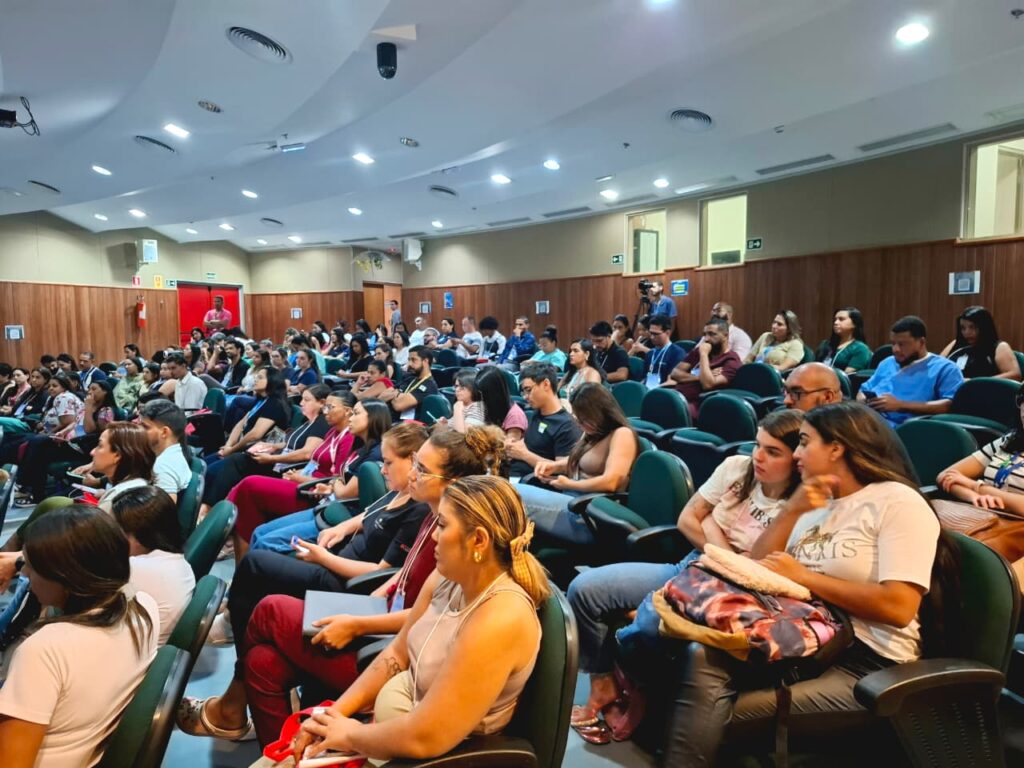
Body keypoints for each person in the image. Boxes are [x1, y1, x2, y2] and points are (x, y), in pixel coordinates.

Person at [178, 426, 507, 745]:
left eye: (421, 468)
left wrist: (359, 621)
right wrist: (375, 598)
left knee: (269, 609)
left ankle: (232, 708)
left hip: (390, 650)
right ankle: (283, 750)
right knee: (262, 662)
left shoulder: (457, 540)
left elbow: (429, 619)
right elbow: (403, 579)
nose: (412, 473)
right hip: (380, 619)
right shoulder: (433, 519)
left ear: (453, 482)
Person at [663, 402, 951, 764]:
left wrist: (804, 577)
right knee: (697, 654)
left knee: (712, 715)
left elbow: (898, 607)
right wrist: (792, 510)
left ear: (836, 448)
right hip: (805, 637)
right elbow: (758, 566)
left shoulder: (896, 502)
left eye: (803, 442)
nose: (797, 453)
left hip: (868, 659)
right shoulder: (818, 501)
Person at [566, 409, 804, 738]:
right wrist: (724, 548)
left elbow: (758, 569)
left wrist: (712, 526)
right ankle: (603, 683)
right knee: (584, 590)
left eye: (773, 452)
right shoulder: (736, 467)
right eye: (757, 445)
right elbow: (687, 520)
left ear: (797, 460)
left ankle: (640, 688)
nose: (758, 457)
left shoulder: (801, 507)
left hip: (738, 590)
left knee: (651, 622)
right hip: (693, 563)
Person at [288, 474, 545, 763]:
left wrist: (349, 735)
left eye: (443, 525)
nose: (434, 535)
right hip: (385, 738)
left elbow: (426, 737)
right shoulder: (451, 575)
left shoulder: (500, 617)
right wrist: (333, 716)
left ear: (478, 540)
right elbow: (398, 651)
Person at [0, 506, 158, 768]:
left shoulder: (45, 650)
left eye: (32, 567)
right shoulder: (144, 607)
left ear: (66, 578)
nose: (24, 575)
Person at [245, 399, 392, 555]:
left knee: (265, 542)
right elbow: (342, 482)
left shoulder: (375, 453)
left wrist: (334, 483)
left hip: (341, 516)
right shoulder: (360, 446)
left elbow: (344, 492)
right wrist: (330, 487)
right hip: (328, 503)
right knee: (259, 532)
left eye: (356, 414)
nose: (350, 418)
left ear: (373, 418)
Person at [226, 391, 358, 562]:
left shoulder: (348, 438)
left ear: (347, 411)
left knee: (249, 485)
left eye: (330, 407)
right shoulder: (332, 431)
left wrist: (300, 478)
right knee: (246, 491)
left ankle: (228, 533)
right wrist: (297, 473)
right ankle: (235, 538)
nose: (325, 412)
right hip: (304, 479)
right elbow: (315, 462)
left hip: (312, 491)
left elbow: (335, 480)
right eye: (325, 407)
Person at [516, 383, 640, 546]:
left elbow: (612, 482)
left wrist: (570, 484)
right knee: (508, 495)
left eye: (583, 419)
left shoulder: (622, 434)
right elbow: (577, 459)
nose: (579, 424)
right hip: (571, 500)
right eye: (577, 419)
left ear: (599, 414)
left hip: (590, 514)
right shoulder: (592, 432)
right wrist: (555, 466)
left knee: (513, 496)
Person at [935, 382, 1024, 563]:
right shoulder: (1009, 440)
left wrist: (978, 487)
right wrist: (973, 497)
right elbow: (946, 475)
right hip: (985, 517)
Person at [112, 486, 196, 645]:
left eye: (115, 530)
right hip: (146, 647)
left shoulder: (135, 568)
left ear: (138, 536)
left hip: (135, 654)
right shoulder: (178, 562)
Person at [858, 315, 964, 427]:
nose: (895, 349)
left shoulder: (945, 368)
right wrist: (862, 400)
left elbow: (948, 405)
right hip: (871, 420)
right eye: (893, 343)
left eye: (902, 344)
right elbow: (864, 390)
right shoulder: (888, 362)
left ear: (921, 342)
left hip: (905, 427)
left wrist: (901, 405)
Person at [507, 362, 582, 477]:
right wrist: (513, 446)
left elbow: (563, 469)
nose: (525, 396)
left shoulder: (566, 425)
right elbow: (533, 445)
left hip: (531, 480)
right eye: (523, 392)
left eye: (528, 390)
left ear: (546, 384)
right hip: (512, 472)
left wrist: (524, 455)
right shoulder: (537, 412)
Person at [668, 316, 742, 419]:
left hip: (699, 404)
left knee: (670, 409)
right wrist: (699, 377)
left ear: (725, 336)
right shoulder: (698, 351)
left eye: (712, 334)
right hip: (679, 396)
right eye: (705, 334)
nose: (706, 339)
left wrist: (703, 355)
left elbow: (707, 384)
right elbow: (675, 373)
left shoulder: (731, 360)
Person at [940, 305, 1020, 380]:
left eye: (972, 327)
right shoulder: (956, 344)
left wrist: (974, 382)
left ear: (984, 327)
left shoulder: (999, 347)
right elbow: (937, 366)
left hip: (983, 389)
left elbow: (1015, 375)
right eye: (963, 328)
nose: (967, 332)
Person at [138, 399, 193, 502]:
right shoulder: (174, 454)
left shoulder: (162, 467)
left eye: (145, 427)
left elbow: (165, 510)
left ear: (164, 432)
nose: (139, 430)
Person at [452, 365, 528, 439]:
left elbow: (511, 445)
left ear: (492, 394)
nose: (479, 397)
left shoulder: (515, 415)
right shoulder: (490, 408)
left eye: (482, 393)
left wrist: (458, 409)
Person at [377, 346, 439, 420]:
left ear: (425, 361)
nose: (409, 364)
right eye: (409, 360)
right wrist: (398, 395)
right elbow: (381, 397)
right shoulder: (409, 378)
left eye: (413, 360)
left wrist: (395, 393)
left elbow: (398, 405)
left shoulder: (429, 385)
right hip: (387, 416)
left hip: (404, 424)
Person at [816, 307, 872, 373]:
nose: (836, 322)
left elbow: (847, 376)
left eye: (841, 319)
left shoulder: (860, 349)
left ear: (854, 324)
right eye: (835, 320)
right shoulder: (825, 345)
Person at [640, 314, 686, 388]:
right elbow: (644, 378)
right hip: (648, 390)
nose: (652, 337)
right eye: (651, 333)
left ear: (668, 333)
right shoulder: (650, 354)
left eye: (656, 334)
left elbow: (672, 381)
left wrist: (654, 390)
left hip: (664, 392)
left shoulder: (677, 353)